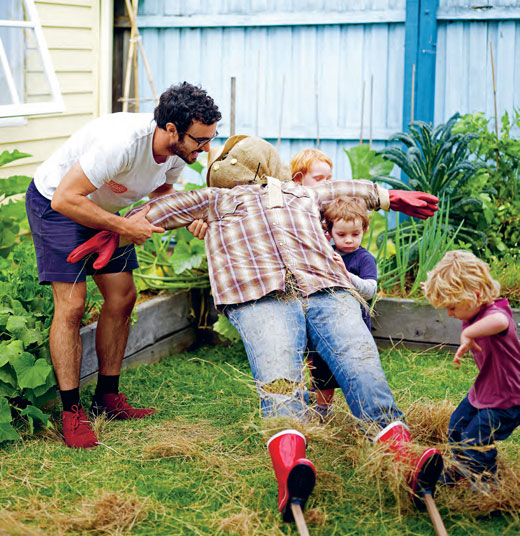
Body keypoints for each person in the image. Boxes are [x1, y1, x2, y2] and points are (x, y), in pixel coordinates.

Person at [69, 135, 443, 520]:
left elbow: (342, 188)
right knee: (280, 381)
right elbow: (165, 207)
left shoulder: (301, 195)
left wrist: (390, 197)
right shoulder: (216, 200)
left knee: (362, 367)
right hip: (260, 297)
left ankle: (403, 459)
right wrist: (114, 230)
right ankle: (291, 470)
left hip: (328, 289)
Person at [25, 81, 222, 449]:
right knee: (72, 305)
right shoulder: (123, 143)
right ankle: (71, 412)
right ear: (171, 130)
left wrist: (191, 216)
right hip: (57, 204)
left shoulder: (180, 153)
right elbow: (67, 199)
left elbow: (163, 191)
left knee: (123, 297)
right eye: (200, 139)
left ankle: (108, 398)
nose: (206, 148)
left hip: (103, 211)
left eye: (210, 138)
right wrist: (124, 226)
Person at [423, 250, 520, 487]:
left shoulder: (496, 313)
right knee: (456, 427)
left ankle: (488, 487)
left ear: (475, 296)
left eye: (453, 307)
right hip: (486, 390)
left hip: (508, 398)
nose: (449, 313)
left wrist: (468, 333)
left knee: (475, 439)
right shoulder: (473, 307)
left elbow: (501, 322)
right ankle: (464, 467)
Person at [311, 196, 378, 420]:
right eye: (341, 235)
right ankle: (322, 409)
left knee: (355, 368)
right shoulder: (326, 253)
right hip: (325, 321)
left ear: (364, 230)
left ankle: (364, 410)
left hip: (354, 325)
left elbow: (369, 289)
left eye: (355, 234)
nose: (349, 240)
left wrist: (346, 275)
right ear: (329, 232)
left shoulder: (364, 258)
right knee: (320, 367)